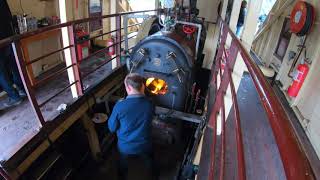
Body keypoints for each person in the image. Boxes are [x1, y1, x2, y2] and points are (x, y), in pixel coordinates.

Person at [108, 73, 155, 180]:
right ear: (142, 86)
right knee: (150, 159)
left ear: (128, 87)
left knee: (122, 164)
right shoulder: (150, 104)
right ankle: (153, 175)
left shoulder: (120, 106)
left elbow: (112, 128)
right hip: (145, 145)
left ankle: (122, 177)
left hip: (125, 147)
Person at [0, 0, 26, 107]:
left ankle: (14, 96)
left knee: (1, 72)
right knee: (14, 65)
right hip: (8, 35)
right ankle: (22, 89)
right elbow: (9, 16)